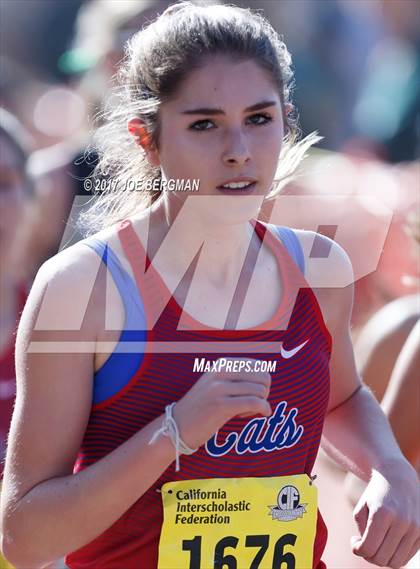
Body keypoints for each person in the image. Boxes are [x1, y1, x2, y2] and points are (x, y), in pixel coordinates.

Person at [0, 3, 418, 569]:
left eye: (259, 118)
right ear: (147, 138)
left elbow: (343, 398)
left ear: (286, 120)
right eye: (204, 124)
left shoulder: (320, 268)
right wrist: (171, 434)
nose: (238, 150)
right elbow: (24, 539)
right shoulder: (83, 287)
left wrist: (391, 470)